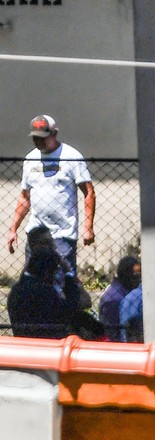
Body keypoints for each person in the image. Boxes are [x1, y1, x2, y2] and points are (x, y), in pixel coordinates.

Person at [7, 114, 96, 277]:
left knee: (63, 282)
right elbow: (24, 197)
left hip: (63, 234)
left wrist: (88, 227)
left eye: (43, 138)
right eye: (35, 138)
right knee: (33, 283)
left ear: (54, 134)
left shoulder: (71, 156)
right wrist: (13, 229)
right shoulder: (30, 159)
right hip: (36, 234)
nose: (39, 142)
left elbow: (89, 192)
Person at [7, 248, 76, 339]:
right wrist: (69, 276)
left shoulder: (16, 289)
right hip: (47, 340)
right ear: (47, 272)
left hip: (22, 340)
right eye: (54, 271)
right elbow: (69, 310)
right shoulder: (45, 292)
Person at [98, 255, 141, 342]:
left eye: (139, 273)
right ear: (126, 274)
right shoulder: (113, 299)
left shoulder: (129, 293)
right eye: (135, 274)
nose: (138, 278)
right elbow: (113, 333)